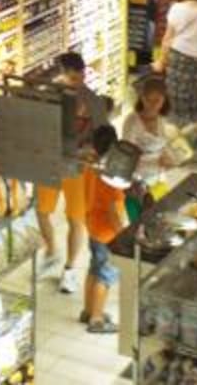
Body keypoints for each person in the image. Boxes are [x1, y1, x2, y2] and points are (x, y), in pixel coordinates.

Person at [34, 52, 98, 293]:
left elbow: (101, 136)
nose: (70, 83)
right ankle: (52, 251)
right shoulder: (49, 96)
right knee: (41, 211)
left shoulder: (91, 102)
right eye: (65, 78)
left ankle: (70, 269)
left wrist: (90, 151)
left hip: (77, 167)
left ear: (82, 75)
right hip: (50, 162)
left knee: (75, 218)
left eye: (74, 78)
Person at [81, 124, 130, 334]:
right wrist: (123, 236)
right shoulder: (112, 178)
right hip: (108, 234)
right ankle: (97, 320)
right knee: (106, 276)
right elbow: (114, 212)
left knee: (94, 269)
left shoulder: (91, 167)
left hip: (93, 226)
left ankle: (88, 310)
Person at [120, 74, 182, 213]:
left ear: (164, 100)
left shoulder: (163, 120)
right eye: (148, 100)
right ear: (142, 98)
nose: (153, 105)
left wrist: (170, 159)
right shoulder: (132, 122)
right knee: (140, 219)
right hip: (137, 182)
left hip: (158, 179)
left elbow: (168, 146)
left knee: (160, 214)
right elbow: (127, 155)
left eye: (157, 100)